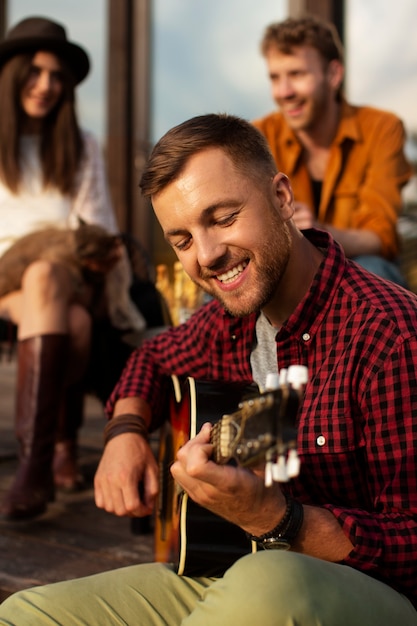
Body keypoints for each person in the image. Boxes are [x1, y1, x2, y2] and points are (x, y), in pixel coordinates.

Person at [2, 113, 417, 625]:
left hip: (363, 596)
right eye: (182, 240)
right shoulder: (226, 320)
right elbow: (151, 358)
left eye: (222, 218)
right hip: (235, 573)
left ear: (283, 199)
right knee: (26, 612)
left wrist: (277, 520)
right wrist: (125, 431)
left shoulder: (390, 334)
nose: (208, 255)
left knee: (267, 582)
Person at [0, 16, 144, 521]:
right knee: (70, 322)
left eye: (57, 76)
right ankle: (58, 445)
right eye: (35, 72)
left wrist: (59, 257)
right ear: (13, 73)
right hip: (3, 283)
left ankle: (32, 468)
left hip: (65, 278)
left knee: (55, 290)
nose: (46, 85)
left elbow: (99, 231)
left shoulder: (81, 145)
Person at [252, 15, 412, 286]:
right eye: (275, 77)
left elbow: (380, 238)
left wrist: (316, 233)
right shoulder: (259, 136)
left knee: (373, 269)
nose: (284, 91)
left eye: (297, 74)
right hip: (288, 272)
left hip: (357, 266)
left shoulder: (382, 128)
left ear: (334, 74)